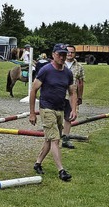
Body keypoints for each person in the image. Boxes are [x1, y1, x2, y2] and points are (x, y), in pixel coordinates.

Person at [29, 44, 77, 181]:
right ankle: (61, 170)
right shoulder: (45, 70)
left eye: (64, 54)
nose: (62, 57)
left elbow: (72, 92)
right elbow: (33, 91)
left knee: (49, 140)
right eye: (60, 54)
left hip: (60, 109)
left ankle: (38, 163)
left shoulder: (68, 72)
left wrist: (73, 109)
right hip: (46, 108)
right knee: (55, 140)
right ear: (53, 54)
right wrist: (32, 112)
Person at [61, 44, 85, 149]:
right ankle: (54, 138)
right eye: (68, 52)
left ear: (75, 54)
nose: (70, 54)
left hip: (72, 96)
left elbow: (80, 83)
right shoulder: (59, 64)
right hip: (59, 95)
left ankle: (65, 139)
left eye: (72, 52)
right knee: (56, 116)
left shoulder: (79, 67)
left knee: (69, 118)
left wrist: (80, 96)